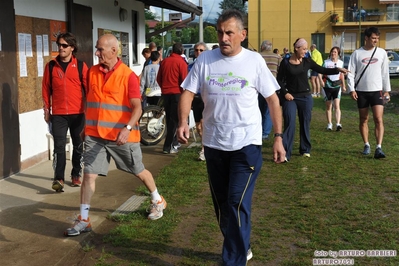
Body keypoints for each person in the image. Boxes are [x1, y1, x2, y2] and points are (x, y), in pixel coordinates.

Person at [177, 9, 286, 265]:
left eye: (229, 33)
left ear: (242, 34)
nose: (223, 38)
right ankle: (241, 244)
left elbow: (272, 99)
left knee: (236, 202)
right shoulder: (205, 61)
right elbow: (187, 92)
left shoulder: (254, 61)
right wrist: (183, 121)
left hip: (246, 144)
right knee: (222, 205)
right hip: (214, 144)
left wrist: (278, 137)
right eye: (220, 32)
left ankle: (233, 260)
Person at [64, 34, 167, 236]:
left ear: (114, 50)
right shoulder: (92, 73)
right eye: (96, 48)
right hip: (95, 135)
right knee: (89, 175)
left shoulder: (127, 75)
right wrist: (86, 126)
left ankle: (157, 199)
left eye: (100, 49)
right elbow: (91, 102)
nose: (97, 53)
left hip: (122, 135)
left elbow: (137, 108)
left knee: (138, 170)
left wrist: (127, 128)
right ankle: (84, 219)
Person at [277, 38, 348, 161]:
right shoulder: (286, 62)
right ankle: (285, 153)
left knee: (305, 122)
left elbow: (323, 70)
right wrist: (285, 93)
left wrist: (337, 69)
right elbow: (279, 80)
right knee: (290, 123)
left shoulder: (307, 61)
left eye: (306, 49)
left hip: (305, 97)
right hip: (290, 98)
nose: (306, 51)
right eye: (304, 49)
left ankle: (305, 149)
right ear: (296, 48)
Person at [42, 32, 89, 192]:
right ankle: (59, 179)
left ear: (72, 47)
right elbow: (45, 89)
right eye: (59, 45)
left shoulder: (81, 66)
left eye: (64, 45)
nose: (60, 48)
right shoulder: (51, 66)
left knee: (78, 145)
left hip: (77, 114)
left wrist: (90, 112)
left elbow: (88, 90)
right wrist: (47, 110)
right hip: (58, 114)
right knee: (59, 147)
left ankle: (76, 174)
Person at [347, 27, 391, 159]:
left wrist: (387, 90)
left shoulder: (381, 53)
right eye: (373, 38)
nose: (375, 40)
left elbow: (385, 73)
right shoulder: (357, 53)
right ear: (366, 38)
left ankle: (379, 147)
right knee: (364, 119)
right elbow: (350, 73)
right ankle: (366, 144)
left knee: (378, 119)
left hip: (376, 90)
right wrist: (352, 89)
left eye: (377, 38)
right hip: (361, 91)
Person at [157, 42, 188, 154]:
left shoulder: (164, 61)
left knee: (170, 118)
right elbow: (185, 80)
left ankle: (172, 142)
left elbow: (158, 78)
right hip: (177, 93)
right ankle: (168, 145)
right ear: (182, 51)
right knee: (174, 121)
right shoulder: (181, 63)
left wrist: (163, 88)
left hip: (166, 93)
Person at [188, 42, 208, 161]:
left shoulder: (209, 65)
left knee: (204, 124)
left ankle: (204, 149)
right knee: (198, 127)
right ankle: (205, 144)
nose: (198, 52)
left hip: (205, 98)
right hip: (195, 99)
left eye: (201, 50)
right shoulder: (190, 66)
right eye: (196, 50)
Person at [259, 40, 281, 140]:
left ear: (262, 47)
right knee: (268, 110)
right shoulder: (277, 57)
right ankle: (266, 132)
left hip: (258, 86)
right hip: (271, 87)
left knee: (258, 109)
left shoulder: (258, 56)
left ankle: (258, 130)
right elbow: (280, 71)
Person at [322, 46, 346, 131]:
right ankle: (329, 124)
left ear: (338, 54)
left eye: (335, 52)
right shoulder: (326, 62)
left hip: (337, 86)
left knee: (337, 105)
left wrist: (343, 85)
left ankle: (338, 124)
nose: (333, 53)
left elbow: (342, 75)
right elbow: (321, 72)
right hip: (327, 86)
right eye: (332, 52)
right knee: (329, 106)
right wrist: (321, 81)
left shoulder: (341, 63)